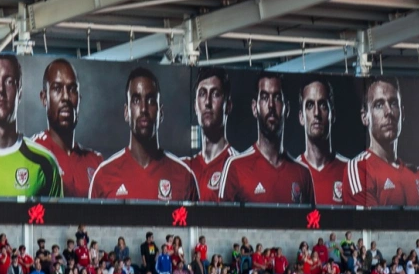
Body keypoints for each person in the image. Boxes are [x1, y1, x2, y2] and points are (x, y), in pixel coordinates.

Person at [89, 66, 198, 201]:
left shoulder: (185, 176)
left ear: (161, 113)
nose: (143, 109)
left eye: (151, 100)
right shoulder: (103, 176)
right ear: (126, 112)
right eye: (136, 100)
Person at [0, 55, 62, 196]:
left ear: (19, 94)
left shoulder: (45, 163)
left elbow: (55, 211)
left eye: (9, 81)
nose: (0, 90)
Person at [342, 76, 419, 206]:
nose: (388, 111)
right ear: (365, 117)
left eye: (393, 103)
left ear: (402, 113)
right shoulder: (360, 168)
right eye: (379, 105)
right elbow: (370, 219)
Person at [219, 73, 314, 204]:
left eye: (277, 97)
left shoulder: (303, 173)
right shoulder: (235, 167)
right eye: (264, 97)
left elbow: (312, 217)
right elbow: (221, 217)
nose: (271, 105)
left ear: (287, 109)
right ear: (254, 108)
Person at [32, 59, 103, 197]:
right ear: (44, 98)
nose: (66, 97)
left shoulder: (96, 162)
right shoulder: (33, 154)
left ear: (79, 99)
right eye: (57, 89)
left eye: (72, 89)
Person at [186, 67, 235, 202]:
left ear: (228, 106)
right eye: (202, 94)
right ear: (195, 106)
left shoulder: (237, 165)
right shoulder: (184, 167)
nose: (207, 102)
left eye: (215, 94)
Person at [295, 77, 347, 205]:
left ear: (332, 115)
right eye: (310, 105)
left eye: (323, 105)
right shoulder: (291, 172)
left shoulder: (350, 171)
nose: (316, 113)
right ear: (301, 117)